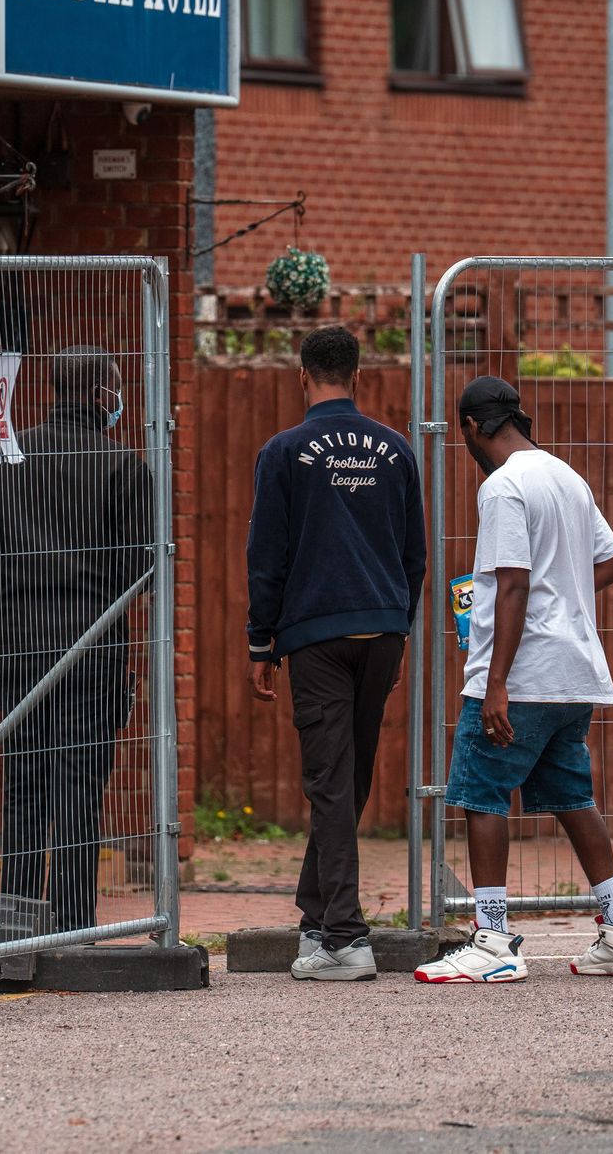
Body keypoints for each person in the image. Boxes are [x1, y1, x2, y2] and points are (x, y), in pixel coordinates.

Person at [414, 375, 613, 983]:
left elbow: (514, 583)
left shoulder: (503, 486)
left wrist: (495, 683)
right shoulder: (565, 476)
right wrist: (563, 595)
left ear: (472, 427)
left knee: (480, 796)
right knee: (574, 799)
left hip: (522, 676)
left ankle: (493, 941)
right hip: (574, 673)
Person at [246, 326, 426, 982]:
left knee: (329, 782)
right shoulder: (396, 449)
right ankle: (317, 921)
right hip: (381, 628)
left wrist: (261, 642)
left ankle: (347, 939)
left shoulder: (284, 451)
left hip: (317, 634)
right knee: (348, 782)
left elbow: (267, 554)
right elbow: (414, 554)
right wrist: (399, 629)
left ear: (302, 376)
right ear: (358, 375)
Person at [0, 345, 152, 934]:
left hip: (20, 638)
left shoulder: (9, 457)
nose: (118, 401)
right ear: (100, 395)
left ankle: (18, 921)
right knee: (80, 786)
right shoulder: (122, 466)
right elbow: (143, 565)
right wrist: (94, 593)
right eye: (115, 391)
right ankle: (72, 923)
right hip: (93, 641)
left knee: (23, 785)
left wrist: (19, 593)